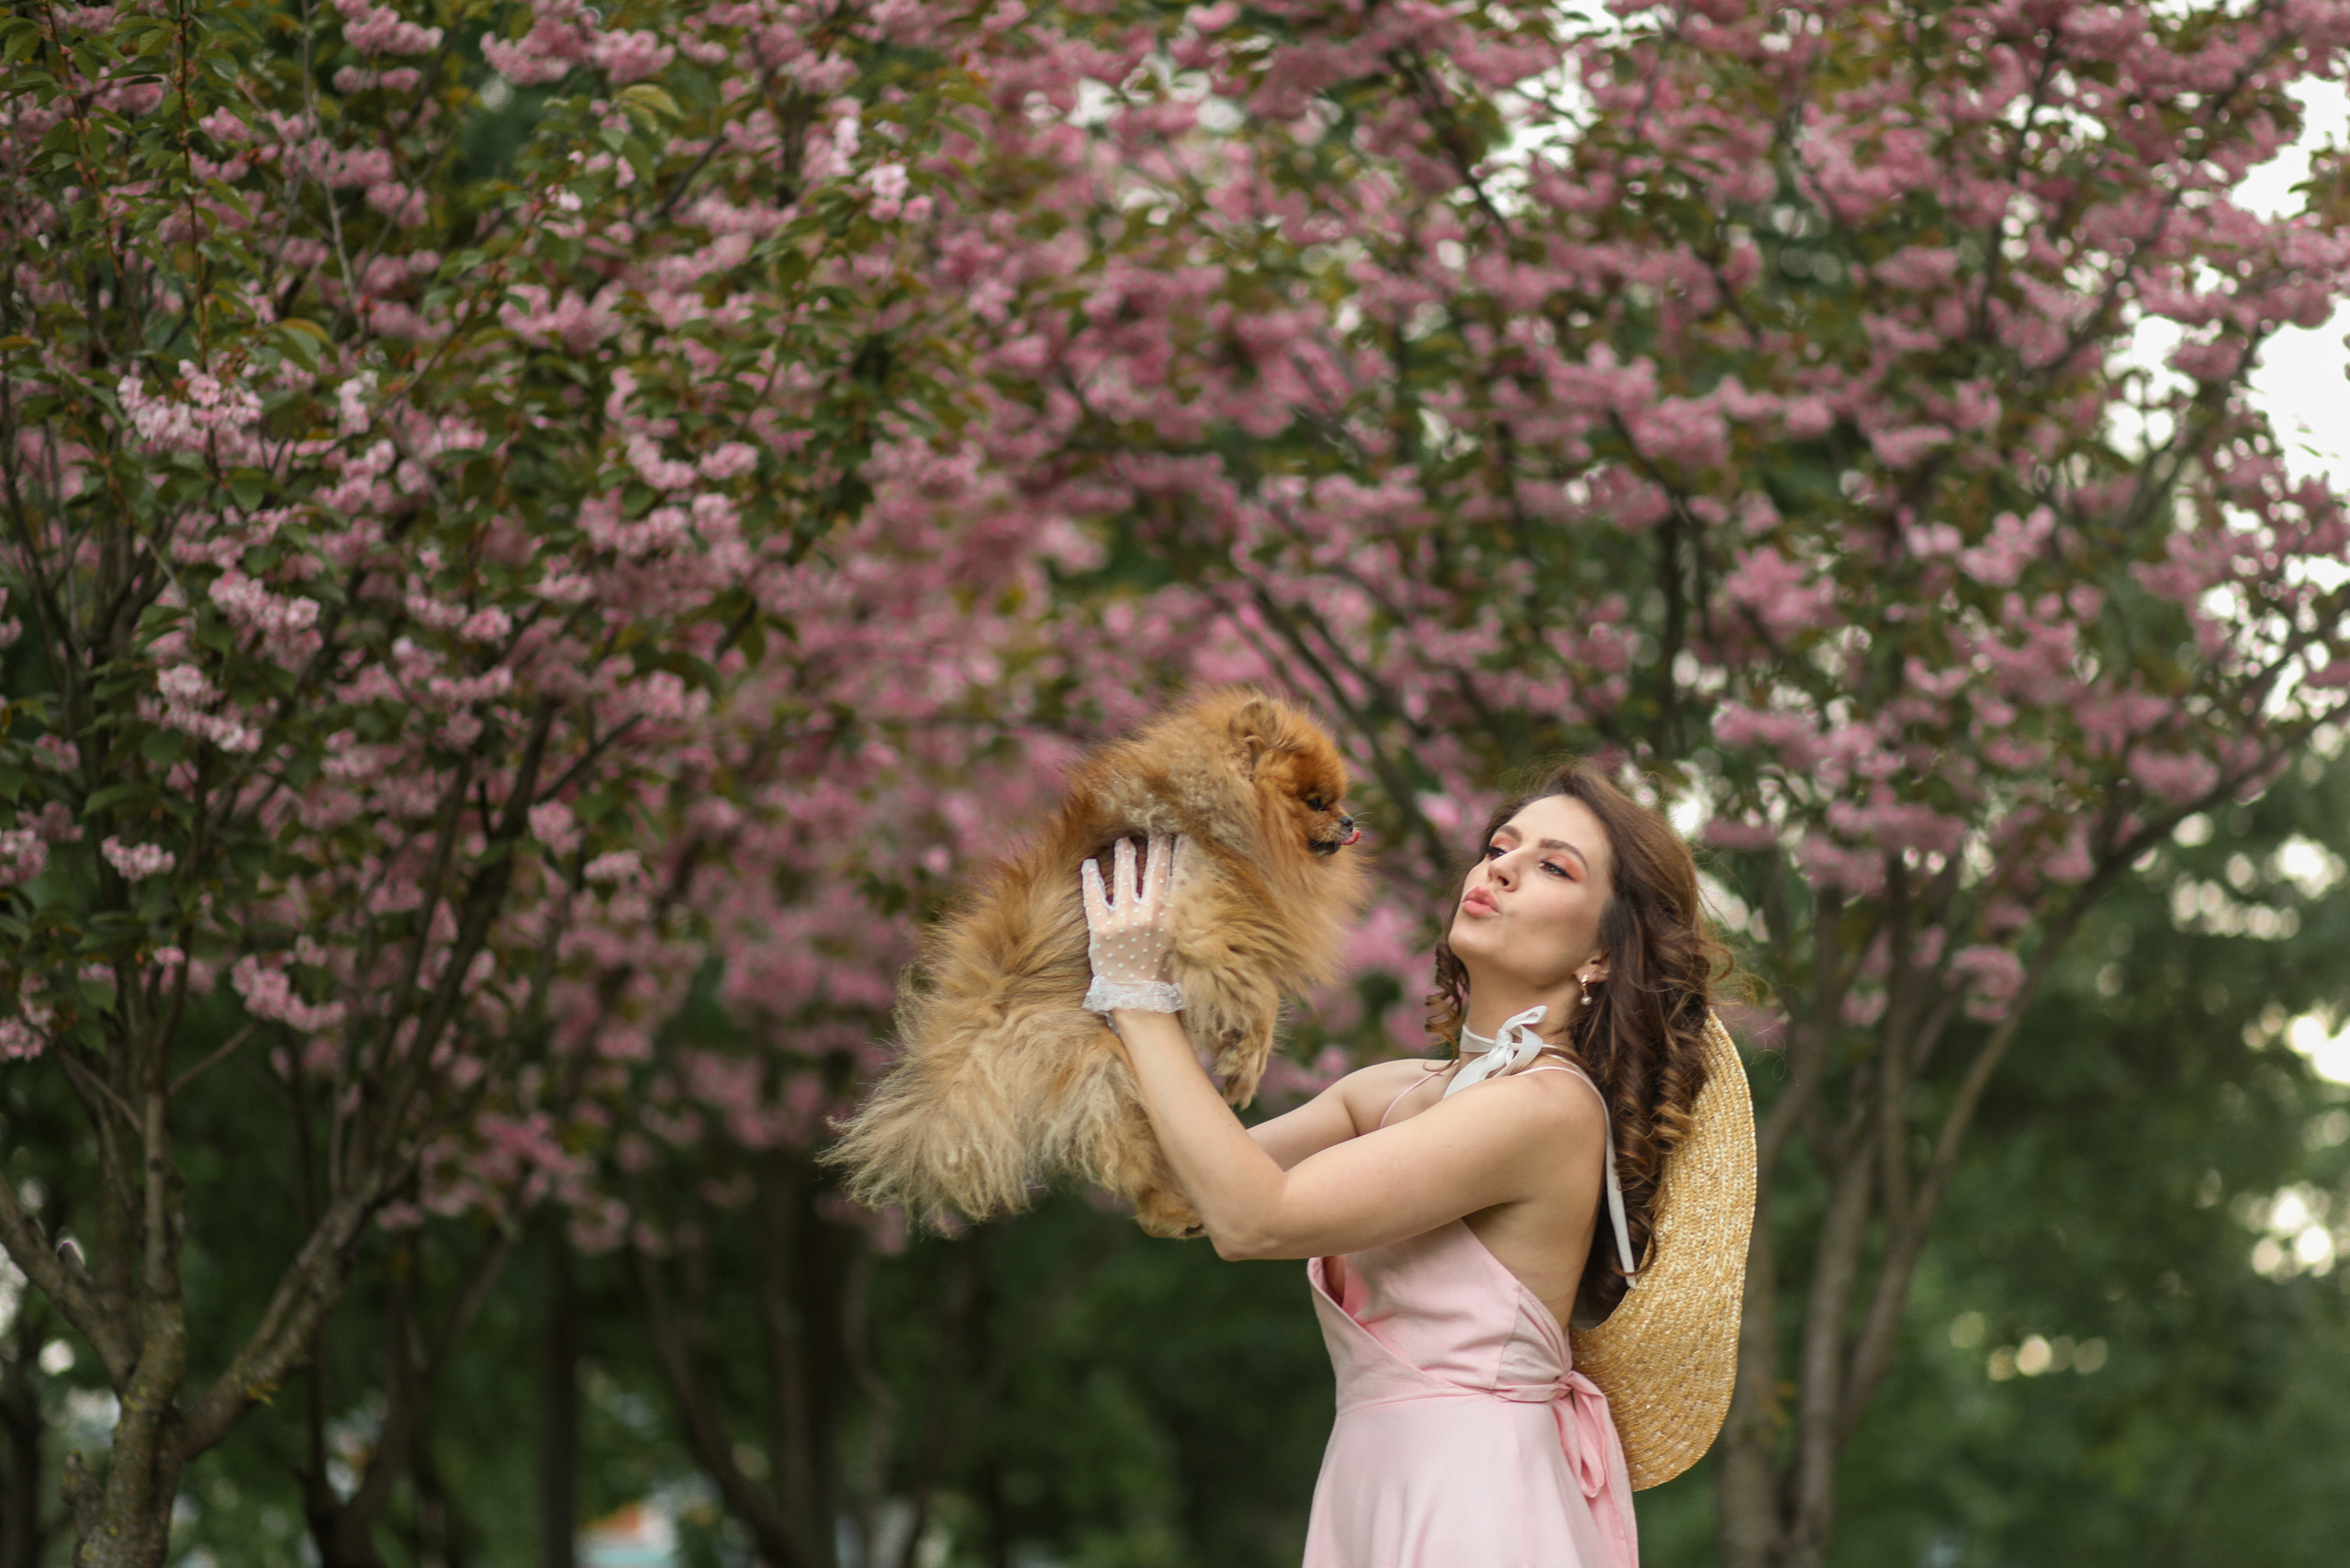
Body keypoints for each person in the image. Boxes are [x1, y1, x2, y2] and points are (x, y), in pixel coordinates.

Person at [1080, 760, 1727, 1568]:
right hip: (1373, 1482)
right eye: (1500, 846)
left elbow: (1254, 1218)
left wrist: (1139, 997)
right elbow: (1180, 1189)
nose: (1501, 867)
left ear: (1601, 955)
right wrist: (1141, 958)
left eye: (1553, 866)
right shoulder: (1389, 1094)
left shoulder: (1547, 1109)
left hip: (1477, 1501)